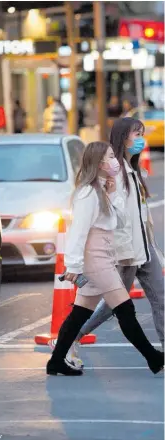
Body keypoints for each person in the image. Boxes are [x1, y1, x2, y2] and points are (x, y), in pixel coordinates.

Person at [46, 141, 164, 376]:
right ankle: (153, 357)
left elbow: (117, 221)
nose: (114, 161)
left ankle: (56, 360)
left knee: (80, 312)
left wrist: (112, 193)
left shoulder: (101, 190)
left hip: (103, 257)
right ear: (99, 163)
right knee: (125, 309)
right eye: (110, 157)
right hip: (96, 260)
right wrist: (74, 265)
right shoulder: (88, 193)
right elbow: (78, 231)